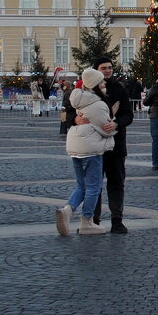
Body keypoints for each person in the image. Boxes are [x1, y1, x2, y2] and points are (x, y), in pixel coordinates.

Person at [55, 68, 116, 236]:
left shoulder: (79, 99)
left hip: (75, 146)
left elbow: (69, 116)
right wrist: (113, 126)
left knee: (81, 185)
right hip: (90, 148)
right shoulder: (98, 104)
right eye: (102, 82)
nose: (104, 84)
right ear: (95, 85)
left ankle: (68, 210)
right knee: (93, 187)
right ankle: (87, 221)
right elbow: (106, 128)